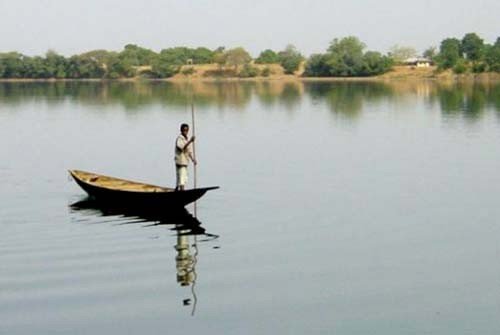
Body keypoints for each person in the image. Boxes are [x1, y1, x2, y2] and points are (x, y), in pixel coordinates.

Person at [174, 123, 197, 191]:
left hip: (185, 162)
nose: (185, 132)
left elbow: (188, 151)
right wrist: (190, 141)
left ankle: (177, 190)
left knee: (182, 178)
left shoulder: (185, 139)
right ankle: (181, 192)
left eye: (187, 130)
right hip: (180, 162)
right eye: (184, 130)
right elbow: (182, 148)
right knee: (181, 179)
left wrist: (193, 159)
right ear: (181, 130)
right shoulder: (179, 138)